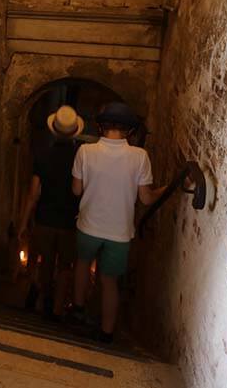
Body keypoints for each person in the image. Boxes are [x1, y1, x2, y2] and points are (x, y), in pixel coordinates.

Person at [67, 102, 166, 343]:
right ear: (129, 131)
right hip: (120, 232)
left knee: (82, 263)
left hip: (89, 224)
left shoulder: (85, 152)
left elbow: (76, 190)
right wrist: (165, 189)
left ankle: (78, 309)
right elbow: (146, 198)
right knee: (109, 281)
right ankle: (106, 333)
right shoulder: (140, 157)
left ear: (101, 127)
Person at [17, 105, 83, 320]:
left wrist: (24, 222)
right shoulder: (81, 156)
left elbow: (33, 192)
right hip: (70, 219)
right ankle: (56, 310)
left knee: (44, 260)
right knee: (65, 265)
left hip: (45, 216)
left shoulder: (43, 154)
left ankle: (43, 296)